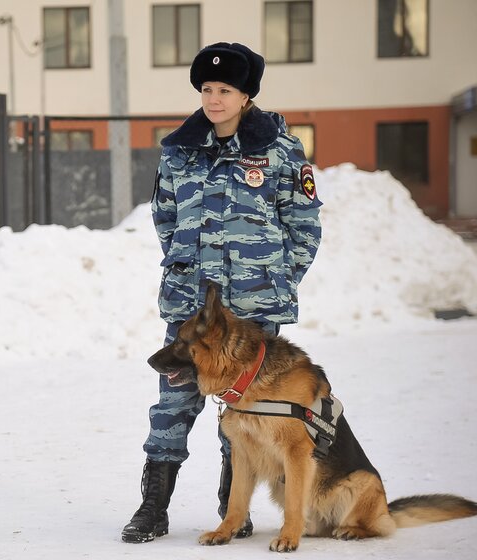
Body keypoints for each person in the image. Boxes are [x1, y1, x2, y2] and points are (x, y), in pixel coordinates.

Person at [121, 42, 322, 543]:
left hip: (254, 309)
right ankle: (153, 506)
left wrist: (276, 278)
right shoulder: (179, 150)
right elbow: (164, 218)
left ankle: (232, 506)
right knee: (173, 404)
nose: (213, 98)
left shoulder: (279, 149)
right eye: (207, 89)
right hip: (192, 308)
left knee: (249, 409)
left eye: (225, 90)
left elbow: (304, 226)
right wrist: (184, 268)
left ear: (246, 94)